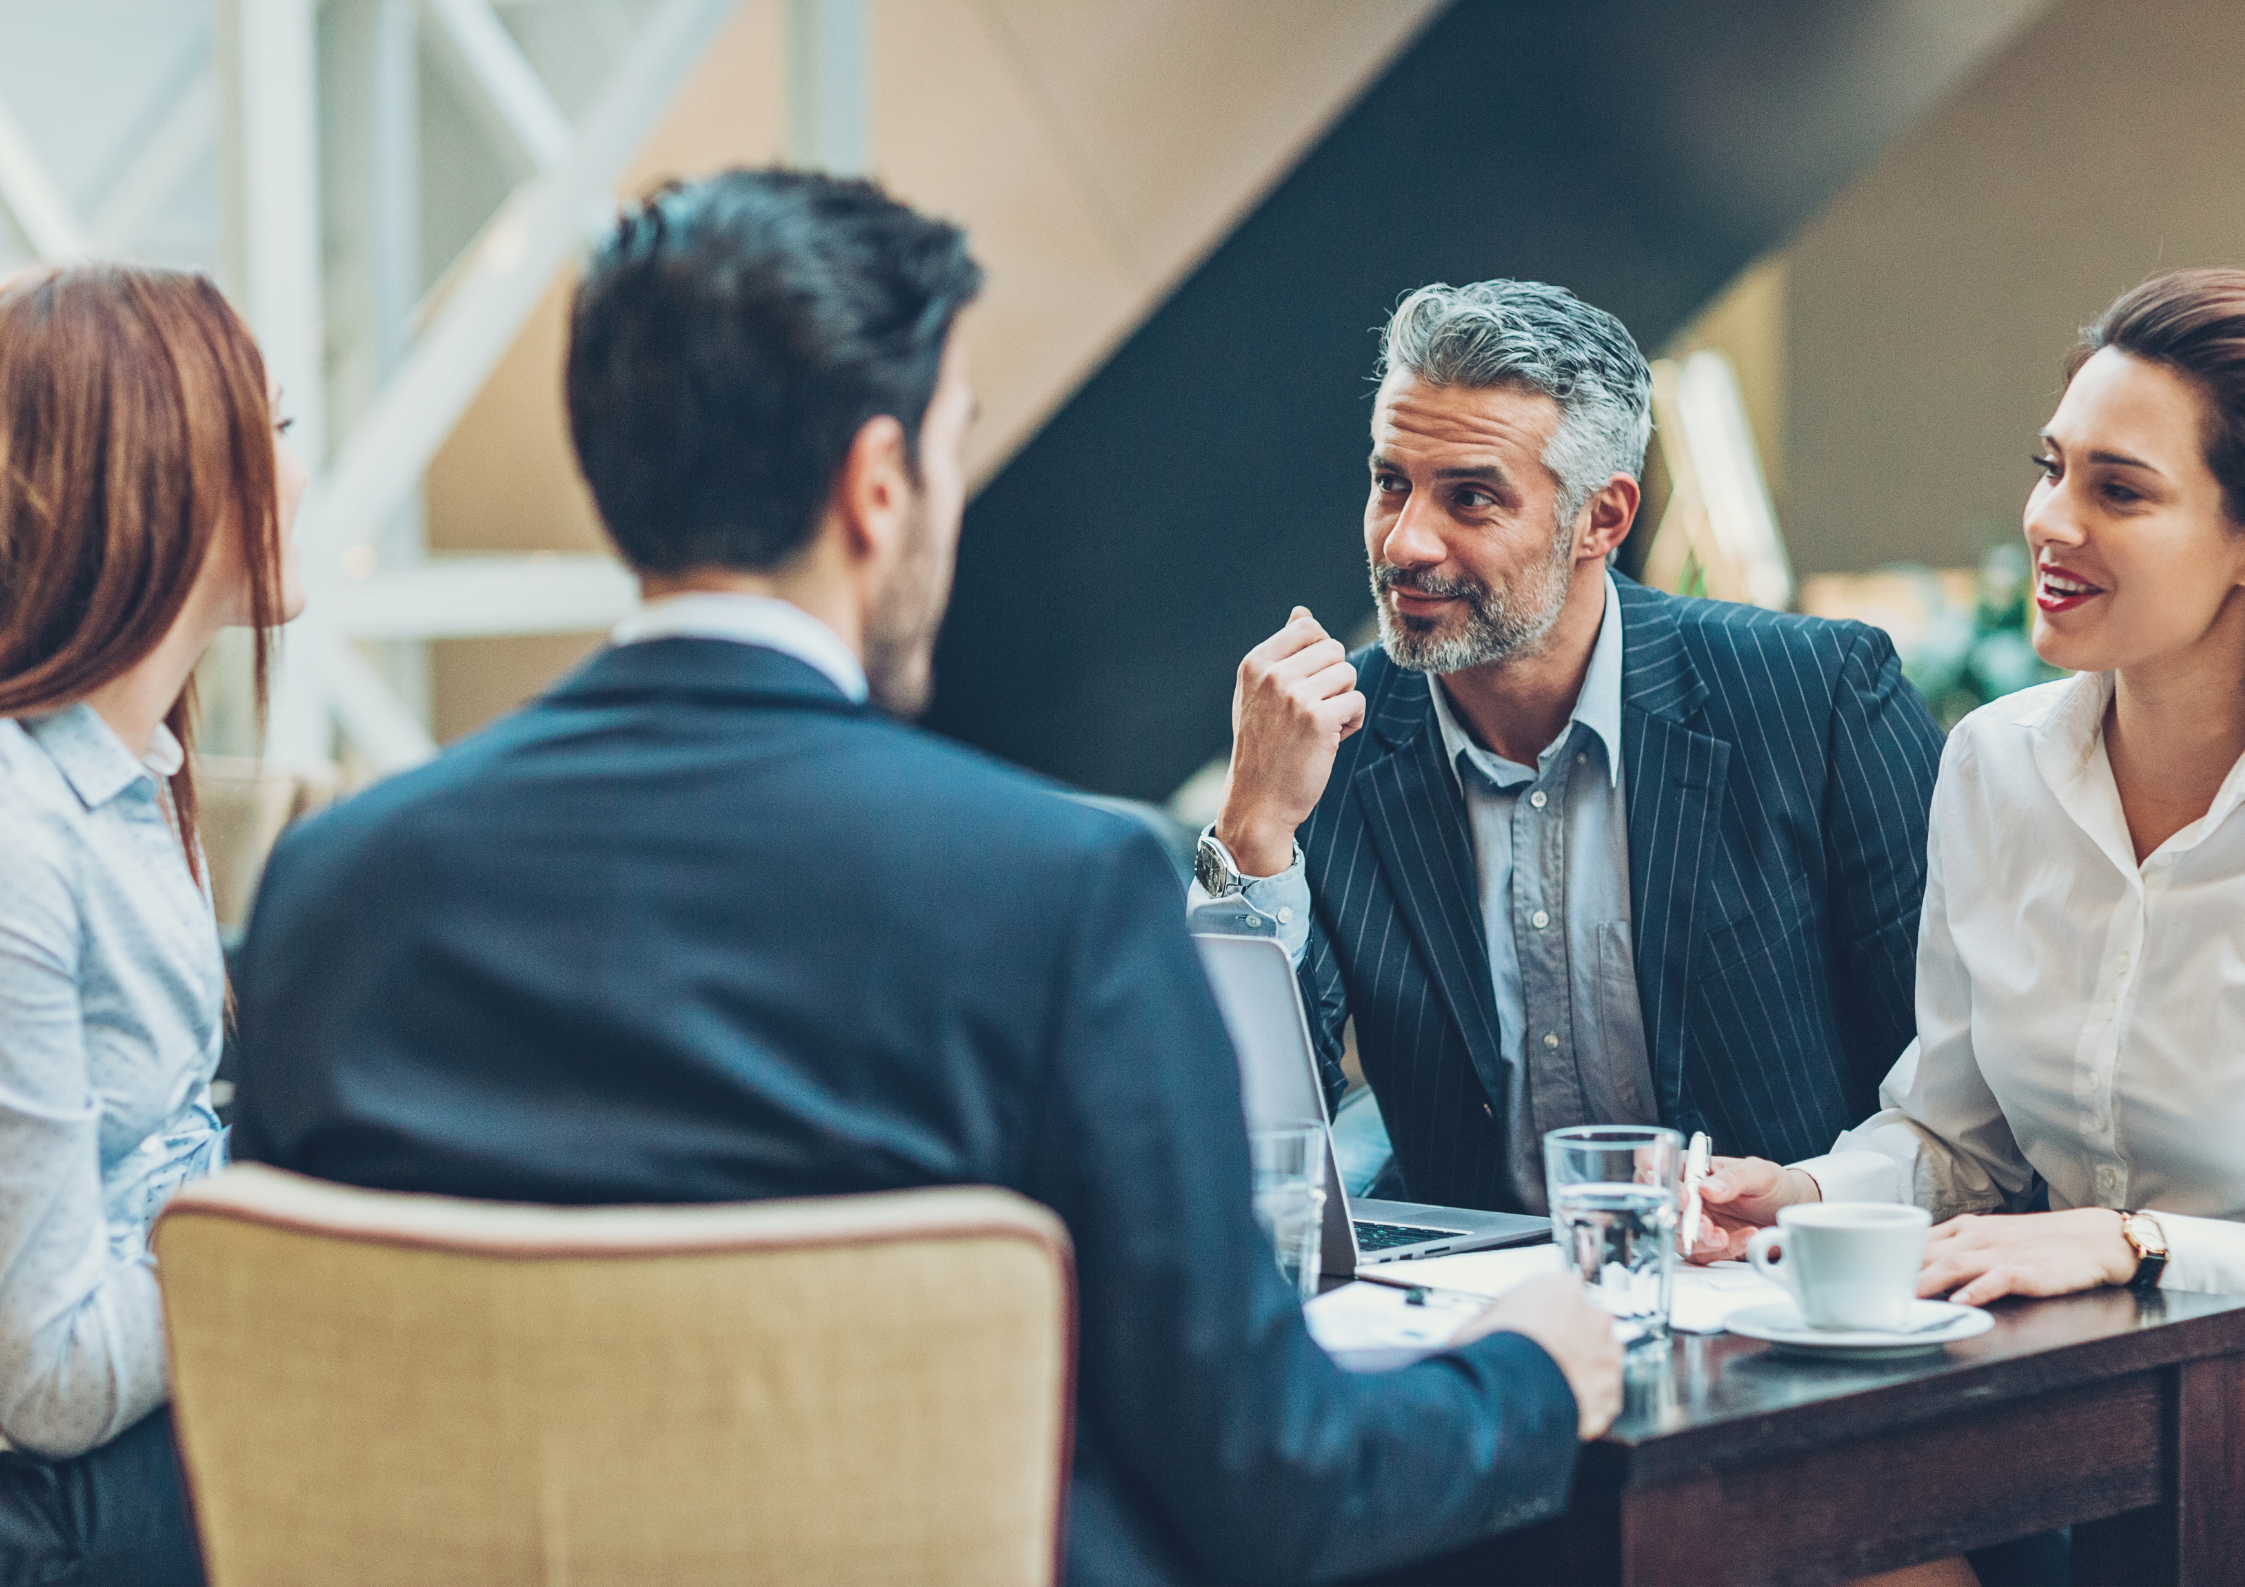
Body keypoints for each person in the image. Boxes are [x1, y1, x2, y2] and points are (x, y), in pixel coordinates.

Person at [229, 169, 1622, 1587]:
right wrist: (1526, 1372)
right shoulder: (1057, 895)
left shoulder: (331, 888)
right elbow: (1272, 1478)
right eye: (951, 450)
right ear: (878, 484)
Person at [1196, 279, 1948, 1217]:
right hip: (1476, 1323)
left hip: (1785, 1297)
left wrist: (1819, 1205)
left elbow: (1951, 1085)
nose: (1404, 540)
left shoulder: (1814, 696)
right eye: (1391, 482)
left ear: (1602, 518)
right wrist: (1253, 833)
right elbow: (1228, 1126)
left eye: (1469, 498)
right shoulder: (1327, 742)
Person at [1695, 268, 2245, 1305]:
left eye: (2117, 489)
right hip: (2082, 1390)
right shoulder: (1995, 764)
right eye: (2051, 469)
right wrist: (1804, 1192)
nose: (2049, 519)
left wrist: (2138, 1241)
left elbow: (2111, 1240)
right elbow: (1956, 1138)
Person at [0, 263, 307, 1585]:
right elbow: (51, 1371)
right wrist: (304, 1200)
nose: (299, 467)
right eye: (276, 428)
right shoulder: (22, 837)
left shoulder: (122, 779)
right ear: (174, 478)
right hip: (64, 1504)